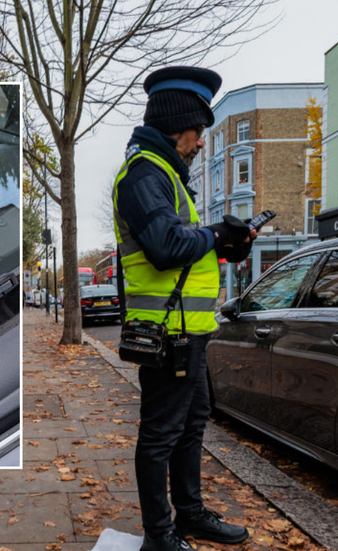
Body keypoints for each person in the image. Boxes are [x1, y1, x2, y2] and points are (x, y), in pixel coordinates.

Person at [112, 66, 256, 551]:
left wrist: (225, 246)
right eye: (197, 134)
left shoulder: (167, 176)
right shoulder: (143, 175)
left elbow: (183, 251)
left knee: (191, 424)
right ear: (177, 128)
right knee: (160, 435)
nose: (199, 145)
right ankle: (160, 537)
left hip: (189, 332)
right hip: (166, 336)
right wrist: (215, 234)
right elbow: (164, 245)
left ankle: (189, 515)